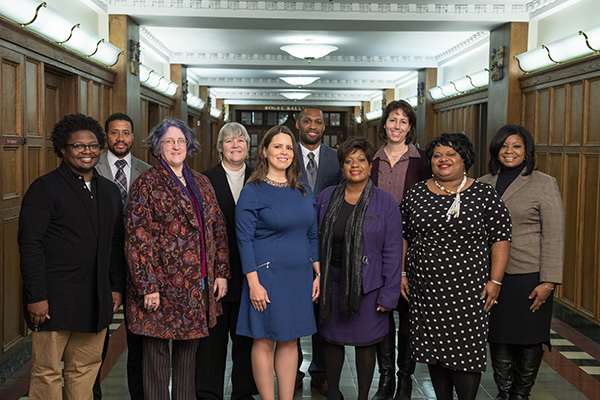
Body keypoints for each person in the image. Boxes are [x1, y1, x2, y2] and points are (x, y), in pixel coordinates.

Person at [18, 113, 126, 400]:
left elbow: (116, 243)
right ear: (62, 149)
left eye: (92, 146)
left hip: (96, 298)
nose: (87, 151)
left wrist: (116, 286)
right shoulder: (44, 189)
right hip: (54, 299)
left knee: (85, 369)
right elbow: (30, 244)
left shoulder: (109, 191)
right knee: (48, 372)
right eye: (78, 146)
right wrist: (36, 297)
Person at [400, 133, 511, 400]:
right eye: (437, 155)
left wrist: (495, 281)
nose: (443, 160)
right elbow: (402, 234)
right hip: (426, 291)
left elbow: (501, 238)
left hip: (469, 291)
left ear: (464, 159)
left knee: (466, 353)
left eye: (450, 154)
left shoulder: (483, 193)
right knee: (435, 354)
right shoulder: (416, 192)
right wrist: (402, 272)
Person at [125, 118, 229, 400]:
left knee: (188, 359)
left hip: (197, 287)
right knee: (157, 361)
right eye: (169, 141)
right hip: (159, 288)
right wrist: (147, 286)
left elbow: (217, 228)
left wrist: (220, 272)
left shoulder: (202, 182)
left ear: (189, 145)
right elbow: (137, 239)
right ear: (158, 146)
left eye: (180, 141)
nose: (175, 146)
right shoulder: (145, 184)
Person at [479, 125, 564, 400]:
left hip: (529, 276)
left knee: (529, 337)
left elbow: (554, 234)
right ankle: (504, 392)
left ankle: (520, 394)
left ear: (527, 151)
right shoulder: (482, 183)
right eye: (504, 146)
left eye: (516, 146)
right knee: (498, 335)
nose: (509, 151)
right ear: (496, 150)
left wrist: (549, 282)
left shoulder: (544, 182)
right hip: (492, 276)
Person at [236, 125, 321, 400]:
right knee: (264, 340)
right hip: (265, 278)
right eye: (277, 146)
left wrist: (317, 272)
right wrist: (253, 284)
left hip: (298, 277)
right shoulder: (253, 191)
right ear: (264, 151)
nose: (283, 152)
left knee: (290, 338)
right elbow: (244, 240)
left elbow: (312, 233)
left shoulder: (303, 189)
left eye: (288, 147)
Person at [315, 136, 403, 400]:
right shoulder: (325, 197)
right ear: (341, 167)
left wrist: (389, 294)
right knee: (331, 341)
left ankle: (363, 396)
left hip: (369, 287)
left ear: (369, 165)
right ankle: (334, 394)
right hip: (332, 282)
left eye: (361, 160)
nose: (355, 165)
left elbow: (393, 250)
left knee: (366, 344)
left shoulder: (385, 202)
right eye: (348, 160)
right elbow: (314, 238)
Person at [370, 100, 429, 400]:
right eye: (392, 120)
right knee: (381, 312)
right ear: (384, 124)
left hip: (414, 249)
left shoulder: (423, 160)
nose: (397, 126)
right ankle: (386, 379)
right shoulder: (372, 160)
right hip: (376, 249)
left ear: (410, 127)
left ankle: (405, 379)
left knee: (408, 315)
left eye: (403, 122)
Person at [197, 122, 257, 400]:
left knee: (246, 340)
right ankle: (208, 394)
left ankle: (244, 393)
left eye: (241, 140)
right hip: (214, 276)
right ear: (220, 147)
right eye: (229, 140)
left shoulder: (261, 178)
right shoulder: (203, 180)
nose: (235, 145)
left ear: (248, 146)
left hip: (252, 274)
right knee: (212, 341)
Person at [94, 112, 151, 400]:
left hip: (138, 267)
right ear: (106, 136)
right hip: (100, 264)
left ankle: (138, 395)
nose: (120, 138)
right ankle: (92, 393)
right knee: (95, 337)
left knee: (138, 340)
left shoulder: (147, 170)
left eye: (125, 132)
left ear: (133, 136)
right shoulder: (91, 168)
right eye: (114, 132)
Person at [295, 106, 342, 396]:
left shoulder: (337, 159)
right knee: (294, 309)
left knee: (322, 310)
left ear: (324, 127)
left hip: (327, 245)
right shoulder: (286, 153)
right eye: (308, 121)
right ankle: (295, 368)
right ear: (298, 124)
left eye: (318, 122)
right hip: (293, 242)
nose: (313, 126)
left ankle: (320, 373)